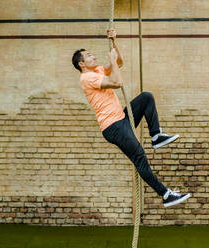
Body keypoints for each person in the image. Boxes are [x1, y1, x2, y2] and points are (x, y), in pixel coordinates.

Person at [71, 29, 190, 207]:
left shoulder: (96, 71)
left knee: (146, 97)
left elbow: (119, 62)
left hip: (121, 118)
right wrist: (111, 61)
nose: (93, 56)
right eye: (89, 56)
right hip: (114, 126)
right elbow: (117, 83)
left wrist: (114, 42)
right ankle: (166, 195)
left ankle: (156, 136)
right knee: (139, 157)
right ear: (82, 63)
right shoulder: (87, 78)